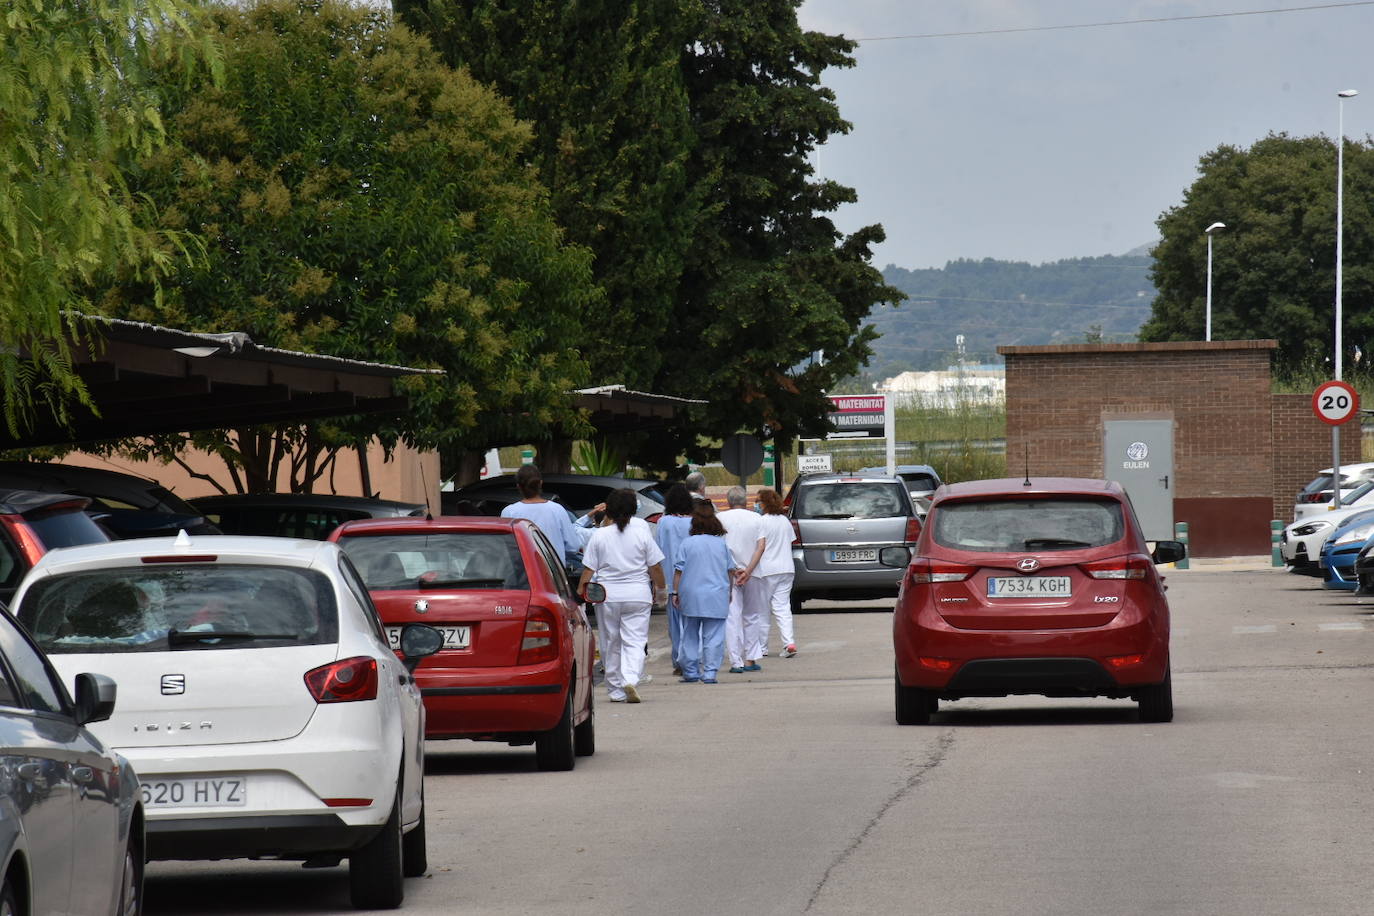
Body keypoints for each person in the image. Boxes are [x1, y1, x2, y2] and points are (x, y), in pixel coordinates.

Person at [577, 488, 665, 703]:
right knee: (635, 641)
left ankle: (615, 689)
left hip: (607, 596)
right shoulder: (642, 533)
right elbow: (655, 567)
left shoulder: (600, 535)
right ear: (634, 509)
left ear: (610, 509)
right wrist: (661, 590)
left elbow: (588, 570)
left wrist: (581, 591)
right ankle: (630, 678)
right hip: (638, 594)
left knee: (610, 642)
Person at [672, 502, 736, 684]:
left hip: (690, 594)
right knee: (714, 635)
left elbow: (679, 571)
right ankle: (710, 672)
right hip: (716, 593)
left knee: (690, 633)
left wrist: (675, 593)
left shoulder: (687, 543)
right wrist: (729, 591)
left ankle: (691, 671)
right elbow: (729, 570)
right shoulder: (721, 545)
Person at [717, 486, 766, 673]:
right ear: (746, 502)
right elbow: (761, 546)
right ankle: (751, 659)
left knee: (732, 616)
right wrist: (748, 570)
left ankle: (735, 661)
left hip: (729, 573)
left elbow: (719, 547)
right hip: (753, 573)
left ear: (728, 502)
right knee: (752, 615)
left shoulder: (720, 518)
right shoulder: (756, 518)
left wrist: (736, 569)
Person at [500, 465, 580, 569]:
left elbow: (506, 548)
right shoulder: (557, 510)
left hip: (522, 576)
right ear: (540, 483)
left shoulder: (509, 512)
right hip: (553, 575)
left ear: (518, 486)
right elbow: (573, 547)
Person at [654, 484, 695, 676]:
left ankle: (679, 660)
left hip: (671, 579)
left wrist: (657, 583)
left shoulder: (664, 522)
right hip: (693, 578)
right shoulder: (694, 522)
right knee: (692, 622)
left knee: (675, 624)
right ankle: (693, 658)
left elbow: (659, 549)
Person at [753, 489, 798, 658]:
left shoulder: (761, 522)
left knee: (763, 610)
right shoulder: (785, 521)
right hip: (786, 568)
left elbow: (759, 546)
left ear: (764, 503)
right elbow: (790, 541)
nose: (756, 504)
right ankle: (789, 643)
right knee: (783, 607)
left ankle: (762, 647)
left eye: (758, 501)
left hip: (767, 570)